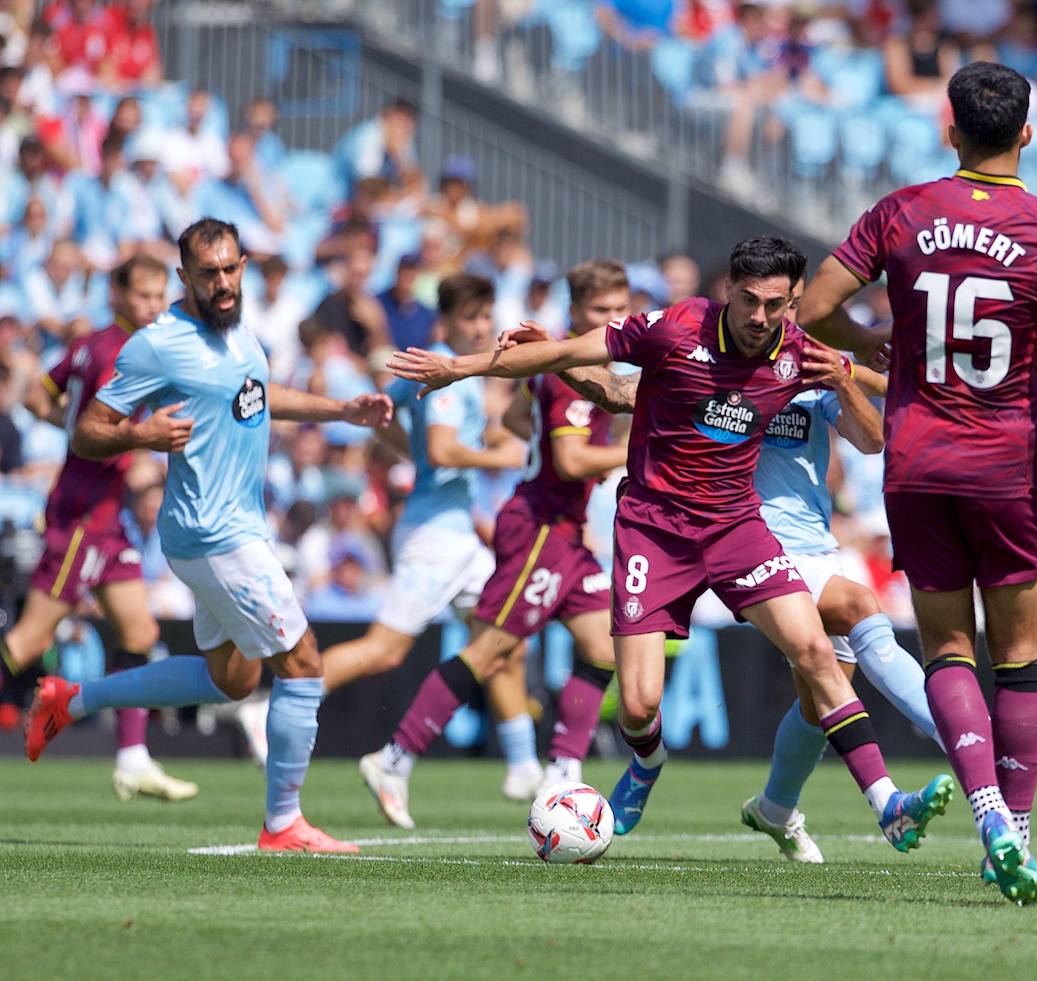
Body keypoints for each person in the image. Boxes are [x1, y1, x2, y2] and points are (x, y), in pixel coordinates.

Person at [387, 237, 953, 854]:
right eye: (748, 301)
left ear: (793, 303)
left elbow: (875, 395)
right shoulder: (675, 327)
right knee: (637, 705)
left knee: (816, 650)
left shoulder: (799, 353)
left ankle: (888, 805)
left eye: (774, 305)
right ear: (727, 293)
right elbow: (582, 354)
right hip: (653, 529)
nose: (759, 317)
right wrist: (458, 368)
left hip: (737, 526)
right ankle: (646, 765)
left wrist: (863, 372)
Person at [798, 62, 1037, 904]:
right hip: (1006, 464)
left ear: (950, 132)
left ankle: (989, 818)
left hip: (917, 459)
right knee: (1020, 652)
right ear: (1028, 133)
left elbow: (813, 307)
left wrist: (873, 340)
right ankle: (1016, 827)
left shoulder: (902, 211)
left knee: (946, 646)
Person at [507, 314, 950, 863]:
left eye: (783, 301)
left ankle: (776, 807)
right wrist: (550, 352)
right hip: (741, 533)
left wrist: (842, 377)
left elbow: (871, 438)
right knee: (856, 608)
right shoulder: (711, 361)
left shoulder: (807, 366)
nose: (768, 316)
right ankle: (960, 741)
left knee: (821, 695)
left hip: (814, 543)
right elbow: (620, 391)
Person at [23, 218, 393, 854]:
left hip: (233, 530)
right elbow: (88, 430)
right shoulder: (157, 344)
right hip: (212, 533)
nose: (222, 283)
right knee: (302, 664)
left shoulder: (240, 329)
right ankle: (283, 824)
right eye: (208, 274)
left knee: (232, 680)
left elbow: (255, 395)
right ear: (184, 277)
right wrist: (138, 435)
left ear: (243, 264)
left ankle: (71, 700)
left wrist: (340, 411)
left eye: (230, 269)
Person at [357, 260, 630, 825]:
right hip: (539, 529)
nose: (613, 320)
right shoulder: (570, 368)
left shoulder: (562, 363)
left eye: (620, 309)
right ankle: (394, 756)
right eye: (600, 311)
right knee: (492, 650)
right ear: (575, 313)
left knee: (605, 644)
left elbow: (514, 418)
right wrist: (641, 452)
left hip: (562, 531)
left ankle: (562, 770)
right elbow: (571, 459)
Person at [1, 254, 197, 803]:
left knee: (139, 634)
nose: (156, 306)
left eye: (162, 295)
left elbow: (40, 393)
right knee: (28, 640)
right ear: (116, 294)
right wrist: (139, 437)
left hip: (106, 520)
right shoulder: (120, 353)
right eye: (144, 296)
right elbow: (99, 427)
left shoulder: (93, 344)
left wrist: (72, 426)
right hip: (84, 517)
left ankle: (133, 758)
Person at [312, 274, 523, 714]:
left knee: (505, 641)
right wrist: (500, 458)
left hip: (457, 533)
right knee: (384, 650)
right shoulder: (449, 371)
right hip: (434, 536)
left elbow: (382, 410)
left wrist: (415, 451)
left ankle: (525, 768)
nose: (482, 328)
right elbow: (444, 451)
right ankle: (276, 705)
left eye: (486, 317)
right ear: (444, 322)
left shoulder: (441, 365)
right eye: (470, 319)